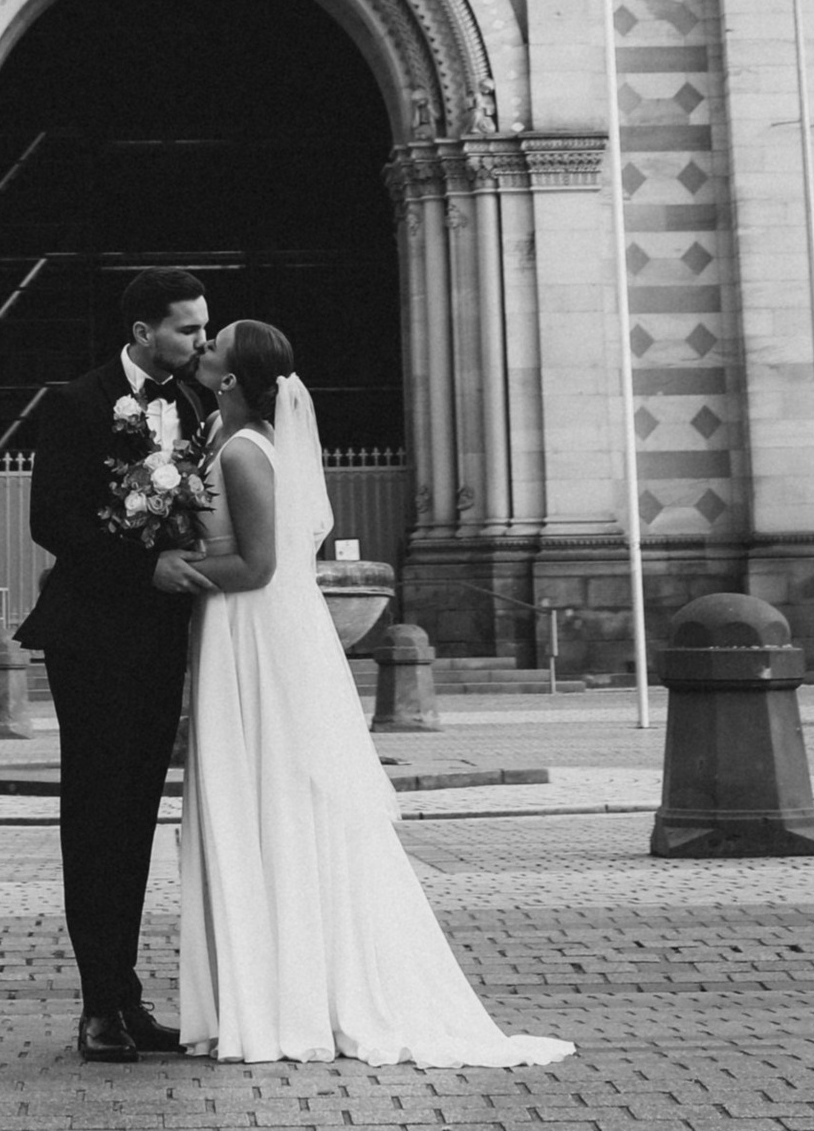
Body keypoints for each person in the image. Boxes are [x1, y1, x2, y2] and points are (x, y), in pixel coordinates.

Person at [162, 320, 574, 1069]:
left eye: (216, 339)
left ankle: (287, 1000)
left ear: (230, 376)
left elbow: (257, 566)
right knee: (257, 794)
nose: (206, 342)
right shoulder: (230, 442)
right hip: (236, 633)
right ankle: (266, 990)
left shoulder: (245, 453)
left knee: (271, 794)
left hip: (250, 630)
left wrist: (171, 570)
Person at [15, 271, 216, 1062]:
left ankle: (127, 998)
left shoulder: (194, 407)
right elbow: (51, 520)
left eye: (204, 329)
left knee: (135, 818)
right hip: (92, 637)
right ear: (142, 332)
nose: (202, 342)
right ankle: (99, 1005)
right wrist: (145, 570)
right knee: (96, 816)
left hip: (160, 638)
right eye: (188, 330)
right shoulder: (76, 403)